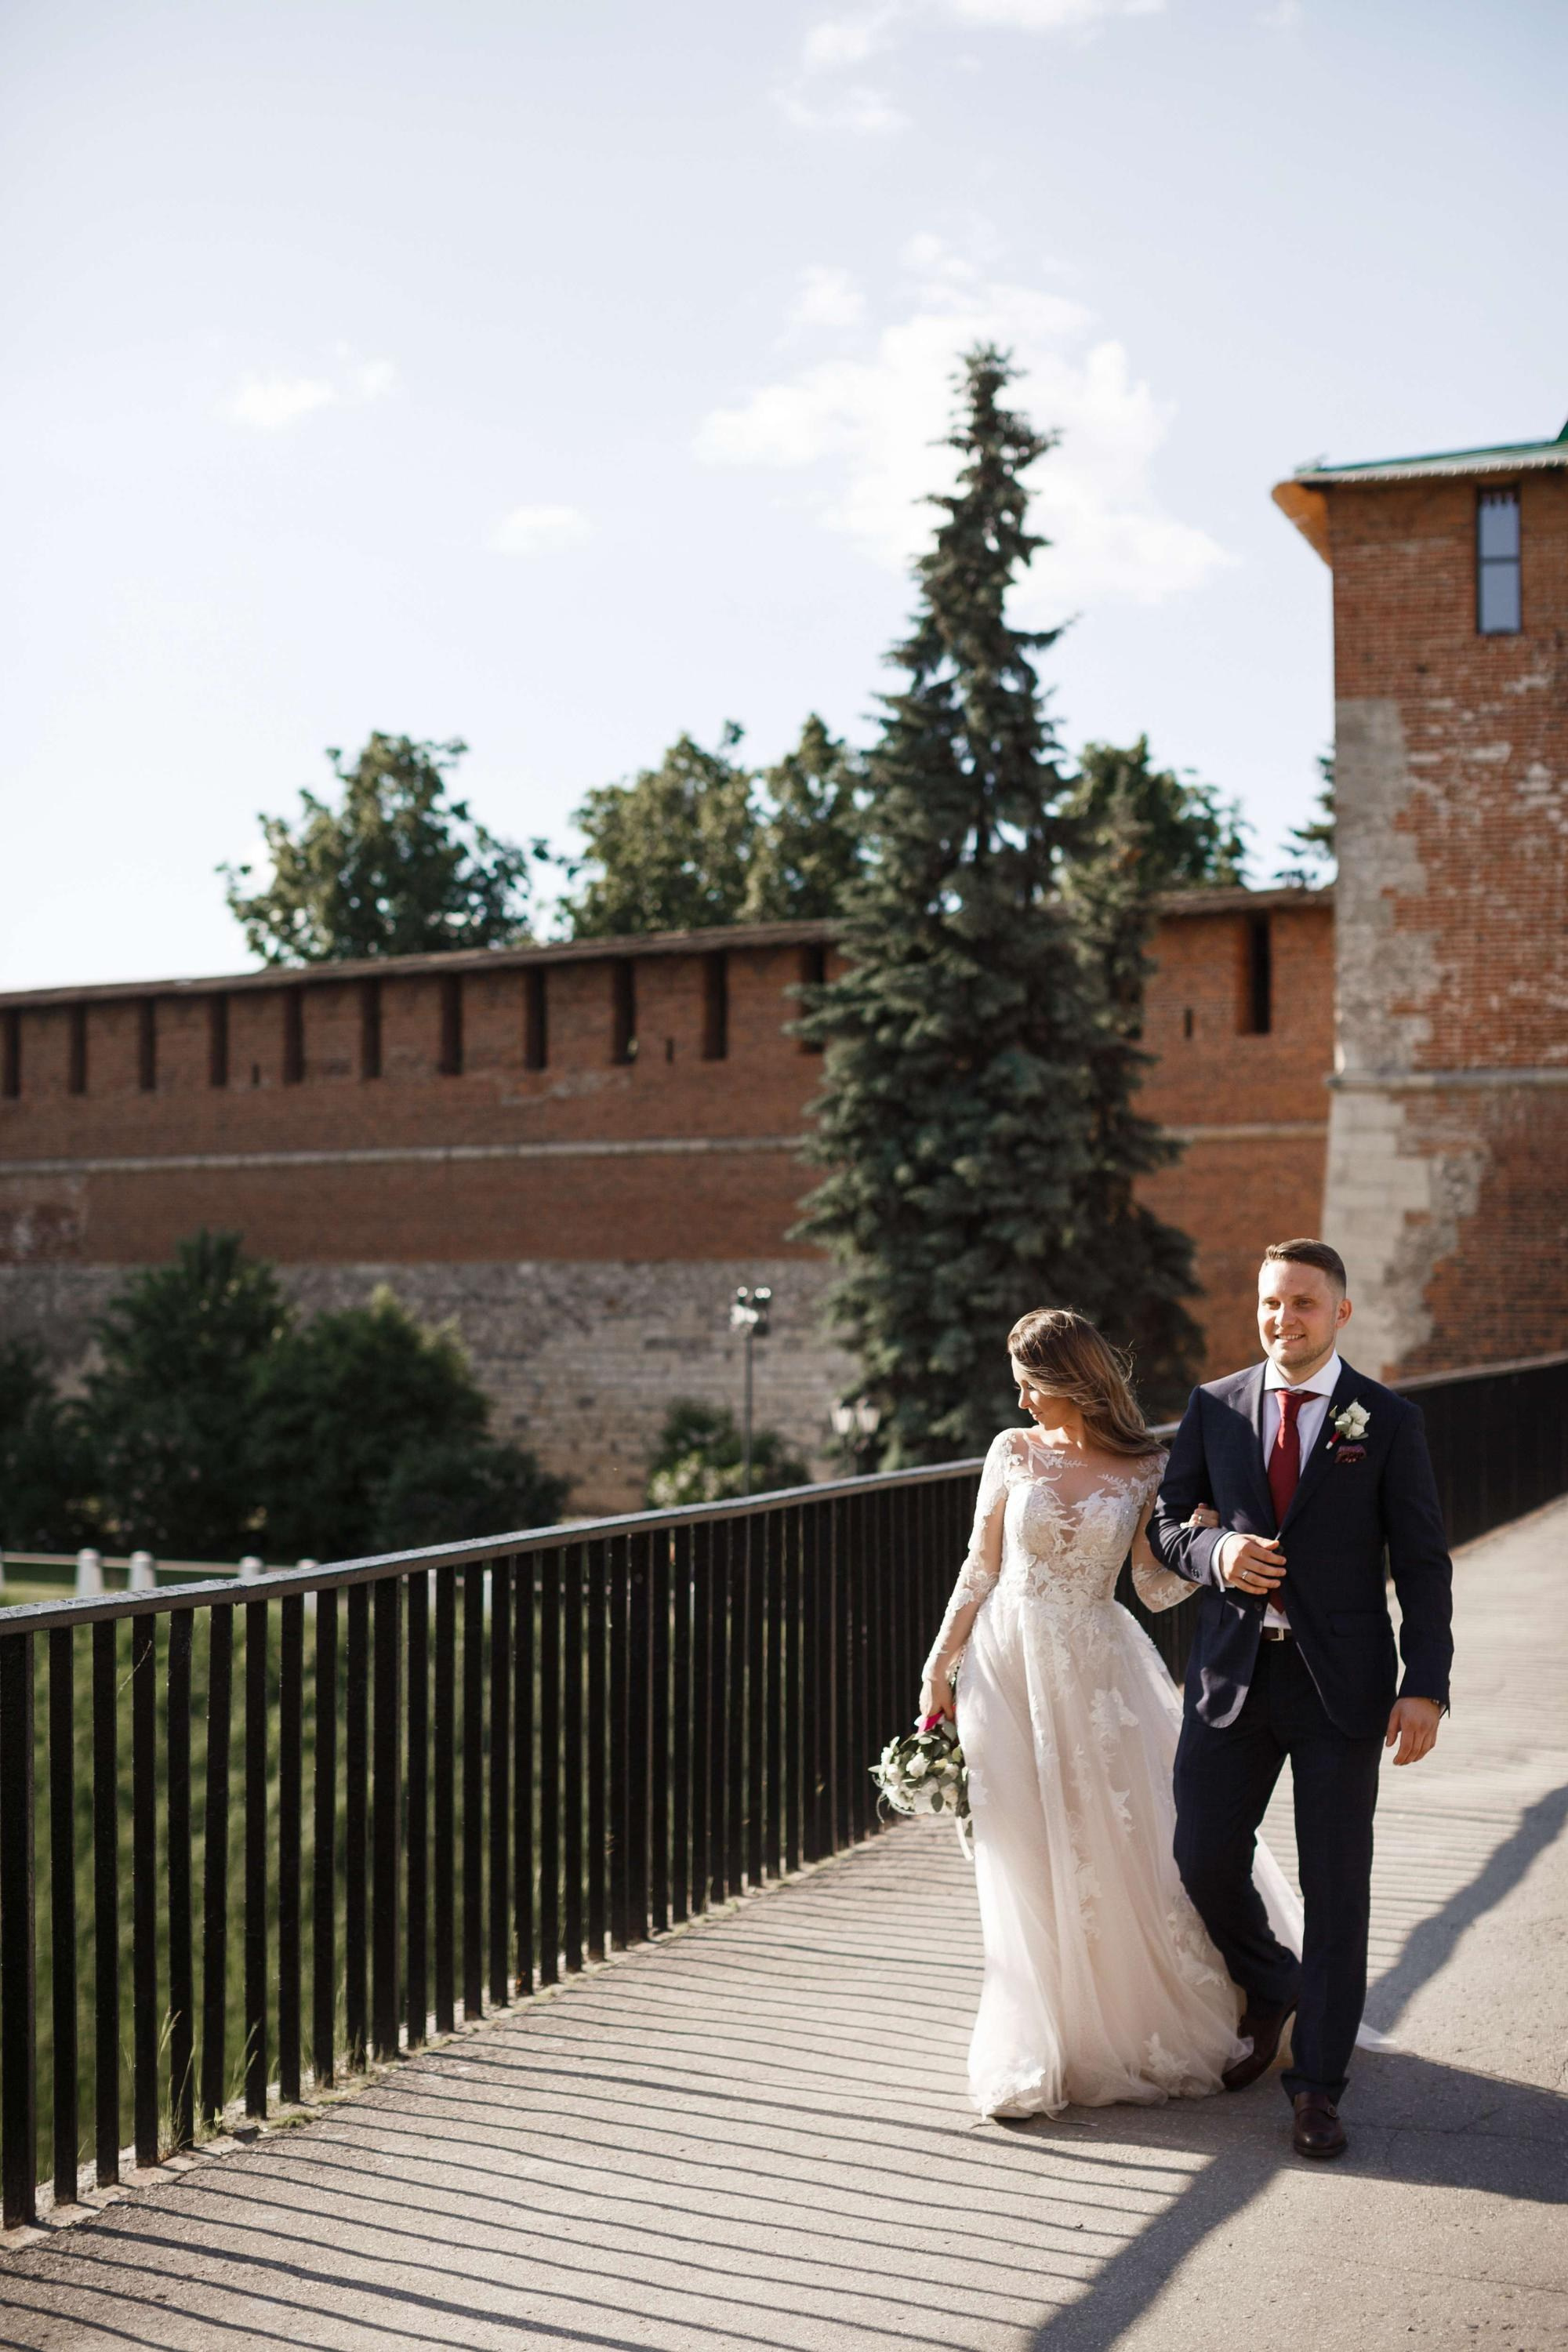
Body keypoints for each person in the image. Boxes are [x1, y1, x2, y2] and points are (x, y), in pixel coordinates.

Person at [919, 1307, 1303, 2122]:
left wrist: (1208, 1549)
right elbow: (978, 1565)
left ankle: (1132, 2020)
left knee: (1116, 1837)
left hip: (1097, 1668)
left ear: (1068, 1382)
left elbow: (1153, 1587)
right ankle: (1039, 2037)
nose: (1020, 1401)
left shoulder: (1145, 1469)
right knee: (1021, 1845)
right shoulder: (1010, 1451)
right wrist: (939, 1663)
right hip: (1005, 1665)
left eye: (1029, 1385)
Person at [1151, 1238, 1453, 2161]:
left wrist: (1424, 1686)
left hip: (1341, 1688)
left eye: (1303, 1305)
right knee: (1199, 1852)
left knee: (1335, 1888)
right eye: (1271, 1304)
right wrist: (1215, 1556)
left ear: (1340, 1314)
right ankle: (1269, 1980)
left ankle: (1317, 2086)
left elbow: (1421, 1563)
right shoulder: (1213, 1407)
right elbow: (1166, 1525)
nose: (1283, 1320)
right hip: (1229, 1677)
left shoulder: (1385, 1421)